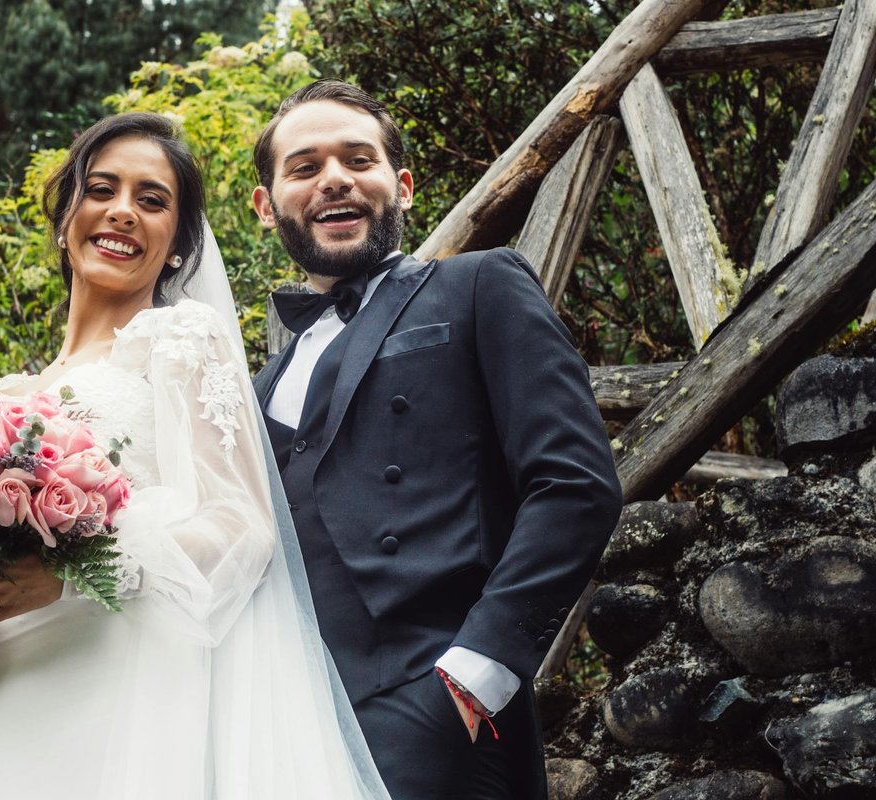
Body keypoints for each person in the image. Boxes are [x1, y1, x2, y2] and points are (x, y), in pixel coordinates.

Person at [0, 112, 391, 799]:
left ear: (178, 246)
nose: (123, 211)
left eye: (152, 200)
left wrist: (65, 578)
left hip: (119, 706)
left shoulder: (182, 341)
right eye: (100, 190)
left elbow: (241, 527)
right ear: (66, 219)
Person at [251, 80, 623, 799]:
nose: (335, 178)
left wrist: (479, 670)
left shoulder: (480, 286)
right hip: (293, 725)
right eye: (305, 167)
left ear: (403, 186)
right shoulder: (257, 386)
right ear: (268, 207)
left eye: (359, 159)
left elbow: (574, 484)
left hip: (438, 706)